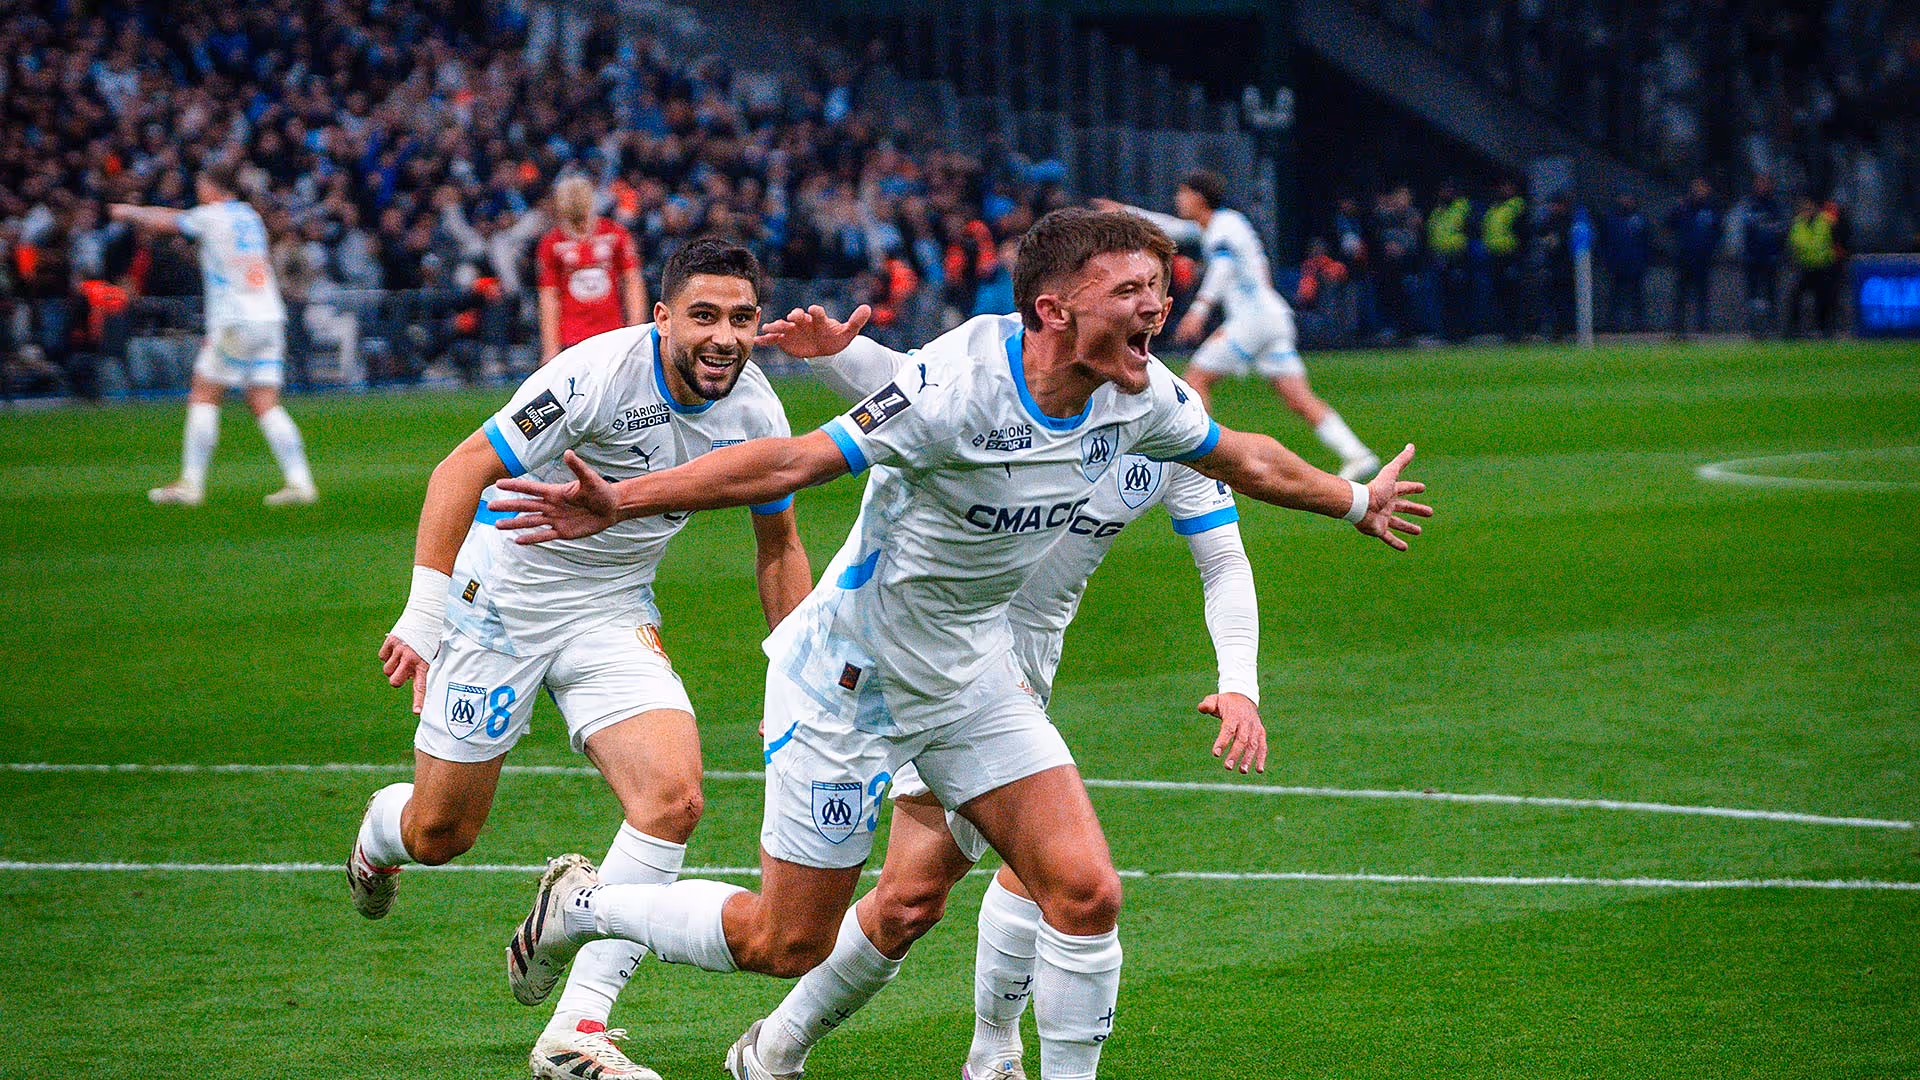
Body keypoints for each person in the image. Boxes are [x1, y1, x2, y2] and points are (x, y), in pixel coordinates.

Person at [487, 208, 1430, 1080]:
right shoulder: (960, 383)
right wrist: (625, 498)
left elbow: (1242, 454)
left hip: (973, 675)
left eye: (1159, 288)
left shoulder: (1140, 397)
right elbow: (795, 460)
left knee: (1086, 893)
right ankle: (585, 907)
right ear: (1054, 310)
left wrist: (1353, 499)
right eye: (1130, 291)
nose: (1157, 307)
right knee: (787, 942)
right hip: (849, 679)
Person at [733, 299, 1268, 1080]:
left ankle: (948, 1052)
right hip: (919, 643)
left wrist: (1239, 683)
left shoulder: (1166, 421)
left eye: (1155, 294)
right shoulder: (1010, 376)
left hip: (1020, 662)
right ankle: (800, 1045)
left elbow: (1222, 559)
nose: (1146, 312)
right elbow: (910, 384)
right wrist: (830, 356)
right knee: (928, 895)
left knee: (965, 889)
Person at [346, 238, 812, 1080]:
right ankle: (382, 832)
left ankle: (576, 1028)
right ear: (662, 317)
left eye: (742, 319)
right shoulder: (593, 375)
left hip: (612, 608)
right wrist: (425, 614)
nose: (724, 338)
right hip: (502, 600)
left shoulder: (756, 413)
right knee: (441, 833)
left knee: (673, 800)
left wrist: (798, 671)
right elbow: (461, 470)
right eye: (704, 316)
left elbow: (778, 545)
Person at [1097, 172, 1379, 480]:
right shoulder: (1219, 224)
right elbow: (1172, 227)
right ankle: (1358, 454)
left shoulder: (1224, 226)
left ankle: (1199, 467)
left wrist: (1199, 310)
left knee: (1196, 379)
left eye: (1183, 193)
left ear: (1198, 197)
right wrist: (1125, 212)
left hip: (1253, 319)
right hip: (1273, 317)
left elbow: (1223, 267)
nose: (1178, 200)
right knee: (1297, 397)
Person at [111, 166, 316, 506]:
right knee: (264, 401)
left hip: (236, 318)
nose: (198, 192)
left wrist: (128, 212)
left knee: (204, 393)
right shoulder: (249, 216)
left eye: (201, 186)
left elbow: (168, 222)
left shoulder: (212, 215)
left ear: (212, 188)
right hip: (269, 314)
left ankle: (190, 484)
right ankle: (300, 483)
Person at [538, 175, 647, 365]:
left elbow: (633, 282)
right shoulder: (551, 243)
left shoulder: (615, 234)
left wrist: (636, 332)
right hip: (571, 338)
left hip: (612, 334)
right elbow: (549, 297)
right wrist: (550, 349)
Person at [1665, 178, 1721, 339]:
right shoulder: (1682, 207)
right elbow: (1668, 225)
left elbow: (1718, 231)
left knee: (1702, 295)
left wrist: (1712, 250)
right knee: (1681, 295)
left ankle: (1701, 327)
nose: (1699, 191)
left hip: (1703, 259)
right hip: (1684, 258)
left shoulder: (1711, 209)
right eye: (1697, 188)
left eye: (1703, 188)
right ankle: (1678, 327)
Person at [1737, 174, 1789, 338]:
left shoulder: (1776, 205)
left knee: (1771, 293)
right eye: (1759, 183)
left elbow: (1782, 228)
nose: (1761, 186)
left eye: (1764, 183)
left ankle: (1772, 326)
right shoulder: (1748, 204)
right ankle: (1753, 327)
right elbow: (1744, 226)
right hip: (1752, 257)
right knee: (1752, 294)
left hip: (1771, 256)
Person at [1786, 197, 1846, 339]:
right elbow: (1795, 242)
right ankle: (1793, 330)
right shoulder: (1797, 224)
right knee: (1795, 297)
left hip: (1823, 267)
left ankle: (1824, 329)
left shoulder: (1826, 222)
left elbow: (1833, 240)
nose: (1807, 211)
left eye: (1809, 207)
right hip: (1805, 267)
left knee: (1824, 300)